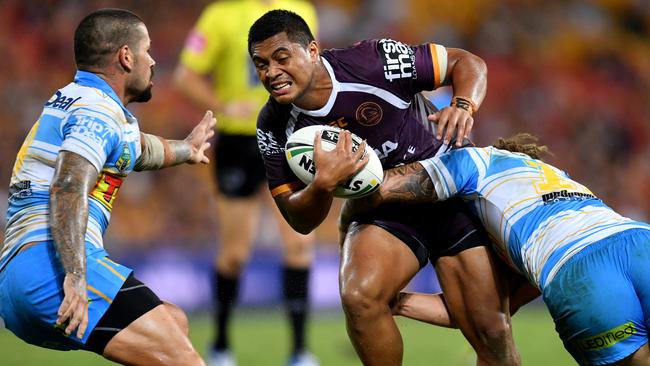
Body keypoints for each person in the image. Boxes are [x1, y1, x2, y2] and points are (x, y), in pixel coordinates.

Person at [249, 9, 523, 366]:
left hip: (446, 189)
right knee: (359, 297)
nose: (271, 72)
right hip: (382, 210)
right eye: (261, 64)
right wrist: (323, 184)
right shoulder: (272, 126)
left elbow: (466, 62)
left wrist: (462, 104)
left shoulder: (373, 62)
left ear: (313, 51)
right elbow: (298, 219)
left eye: (281, 58)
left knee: (492, 334)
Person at [0, 8, 215, 366]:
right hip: (50, 266)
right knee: (186, 362)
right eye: (147, 50)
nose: (153, 60)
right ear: (126, 57)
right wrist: (76, 275)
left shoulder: (85, 103)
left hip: (16, 280)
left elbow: (139, 149)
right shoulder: (97, 112)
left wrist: (187, 149)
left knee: (172, 323)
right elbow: (68, 185)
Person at [341, 133, 650, 366]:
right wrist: (397, 302)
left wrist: (339, 195)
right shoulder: (560, 179)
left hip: (573, 268)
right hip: (638, 238)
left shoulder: (479, 159)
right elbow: (481, 313)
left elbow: (393, 187)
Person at [173, 2, 319, 366]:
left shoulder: (301, 10)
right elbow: (185, 76)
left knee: (300, 247)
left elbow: (314, 70)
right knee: (235, 254)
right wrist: (222, 104)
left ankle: (300, 351)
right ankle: (221, 344)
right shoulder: (221, 15)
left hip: (291, 136)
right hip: (240, 142)